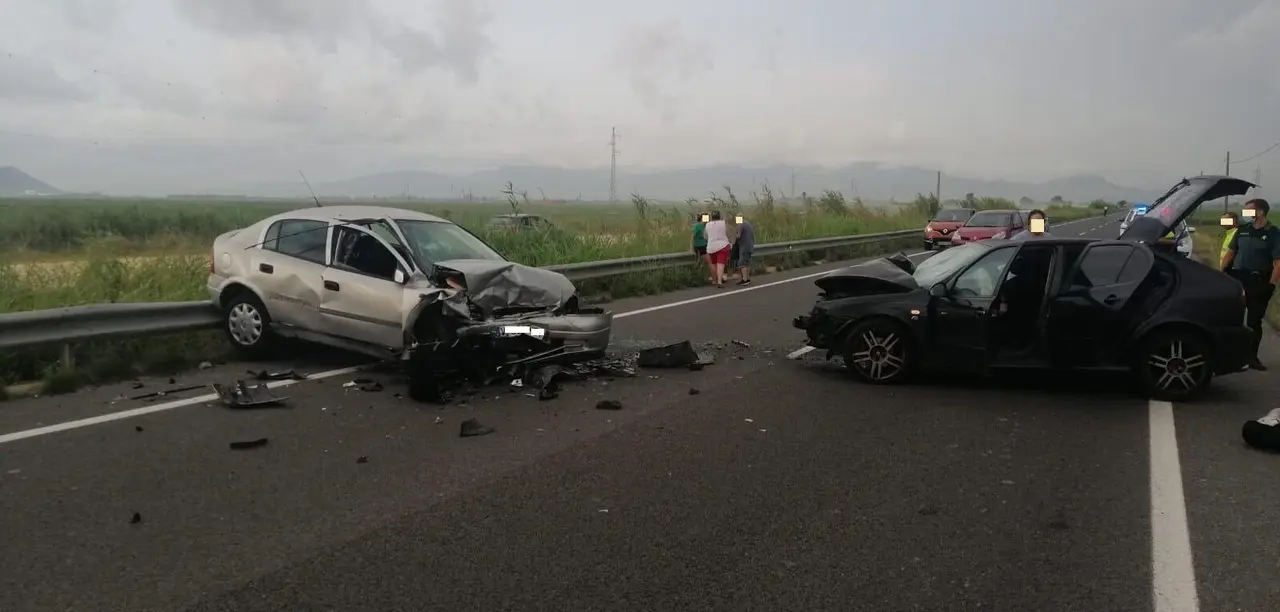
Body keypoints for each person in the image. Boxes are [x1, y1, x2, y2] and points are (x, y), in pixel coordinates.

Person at [1221, 199, 1280, 371]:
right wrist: (1222, 272)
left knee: (1254, 321)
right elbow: (1231, 252)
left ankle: (1251, 357)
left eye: (1249, 211)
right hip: (1238, 278)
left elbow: (1278, 263)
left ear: (1260, 212)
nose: (1245, 214)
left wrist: (1271, 285)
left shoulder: (1273, 234)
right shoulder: (1242, 231)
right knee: (1231, 317)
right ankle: (1229, 355)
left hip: (1259, 281)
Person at [704, 211, 731, 288]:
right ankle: (719, 281)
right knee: (721, 264)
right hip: (723, 245)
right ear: (719, 216)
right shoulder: (724, 223)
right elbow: (729, 233)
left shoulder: (707, 225)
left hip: (711, 247)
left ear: (711, 217)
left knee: (714, 264)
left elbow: (705, 236)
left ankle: (715, 280)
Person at [734, 215, 755, 286]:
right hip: (750, 246)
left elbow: (738, 236)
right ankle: (747, 278)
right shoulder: (748, 224)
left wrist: (732, 236)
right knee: (746, 263)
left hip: (744, 247)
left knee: (742, 263)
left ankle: (744, 279)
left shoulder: (741, 225)